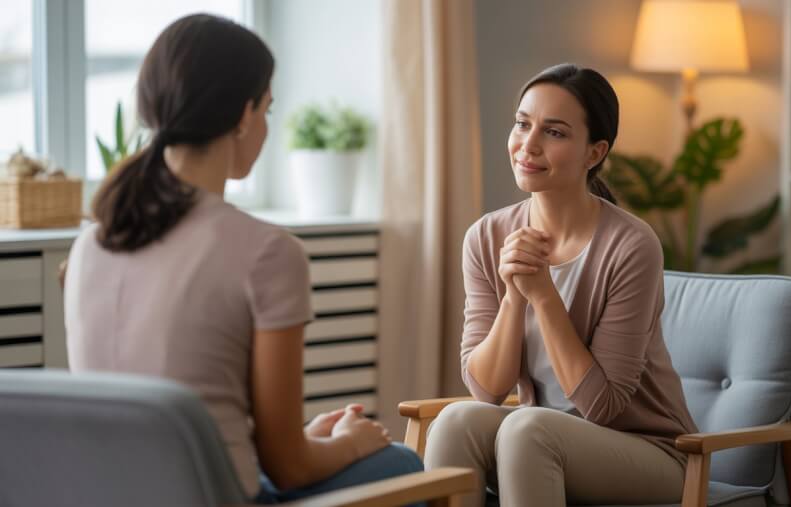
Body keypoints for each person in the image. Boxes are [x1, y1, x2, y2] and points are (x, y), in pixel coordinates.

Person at [63, 14, 422, 504]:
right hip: (217, 497)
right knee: (401, 463)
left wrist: (307, 439)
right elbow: (290, 468)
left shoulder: (90, 245)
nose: (267, 127)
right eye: (268, 110)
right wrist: (349, 443)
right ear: (242, 114)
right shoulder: (266, 252)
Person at [423, 63, 698, 506]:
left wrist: (544, 295)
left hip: (653, 454)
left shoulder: (631, 245)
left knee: (527, 428)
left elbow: (603, 405)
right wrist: (514, 295)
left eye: (554, 133)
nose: (527, 146)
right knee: (456, 420)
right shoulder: (486, 237)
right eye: (522, 124)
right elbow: (486, 389)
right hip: (539, 440)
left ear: (594, 152)